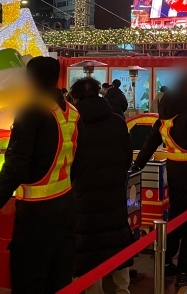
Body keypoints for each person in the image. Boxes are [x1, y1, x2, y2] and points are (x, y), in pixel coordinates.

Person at [0, 57, 79, 294]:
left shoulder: (31, 111)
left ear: (30, 80)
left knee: (29, 279)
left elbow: (15, 165)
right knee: (60, 279)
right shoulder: (71, 111)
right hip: (67, 206)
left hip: (36, 214)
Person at [133, 73, 187, 287]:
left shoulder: (166, 112)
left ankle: (166, 261)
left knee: (175, 216)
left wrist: (138, 164)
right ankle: (184, 269)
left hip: (173, 171)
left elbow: (152, 140)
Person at [68, 77, 133, 294]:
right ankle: (123, 289)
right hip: (114, 193)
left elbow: (70, 164)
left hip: (84, 197)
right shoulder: (117, 121)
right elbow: (127, 157)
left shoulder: (74, 125)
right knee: (117, 241)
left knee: (89, 250)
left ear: (75, 98)